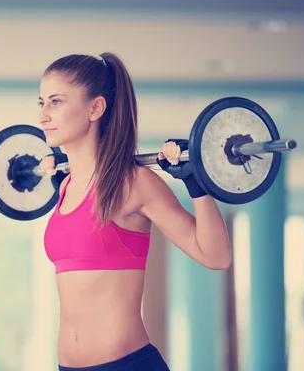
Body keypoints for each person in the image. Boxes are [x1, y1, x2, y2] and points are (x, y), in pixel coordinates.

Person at [37, 52, 232, 371]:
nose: (44, 115)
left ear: (95, 108)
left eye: (56, 102)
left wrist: (197, 183)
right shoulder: (65, 186)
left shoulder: (133, 183)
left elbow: (217, 256)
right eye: (41, 102)